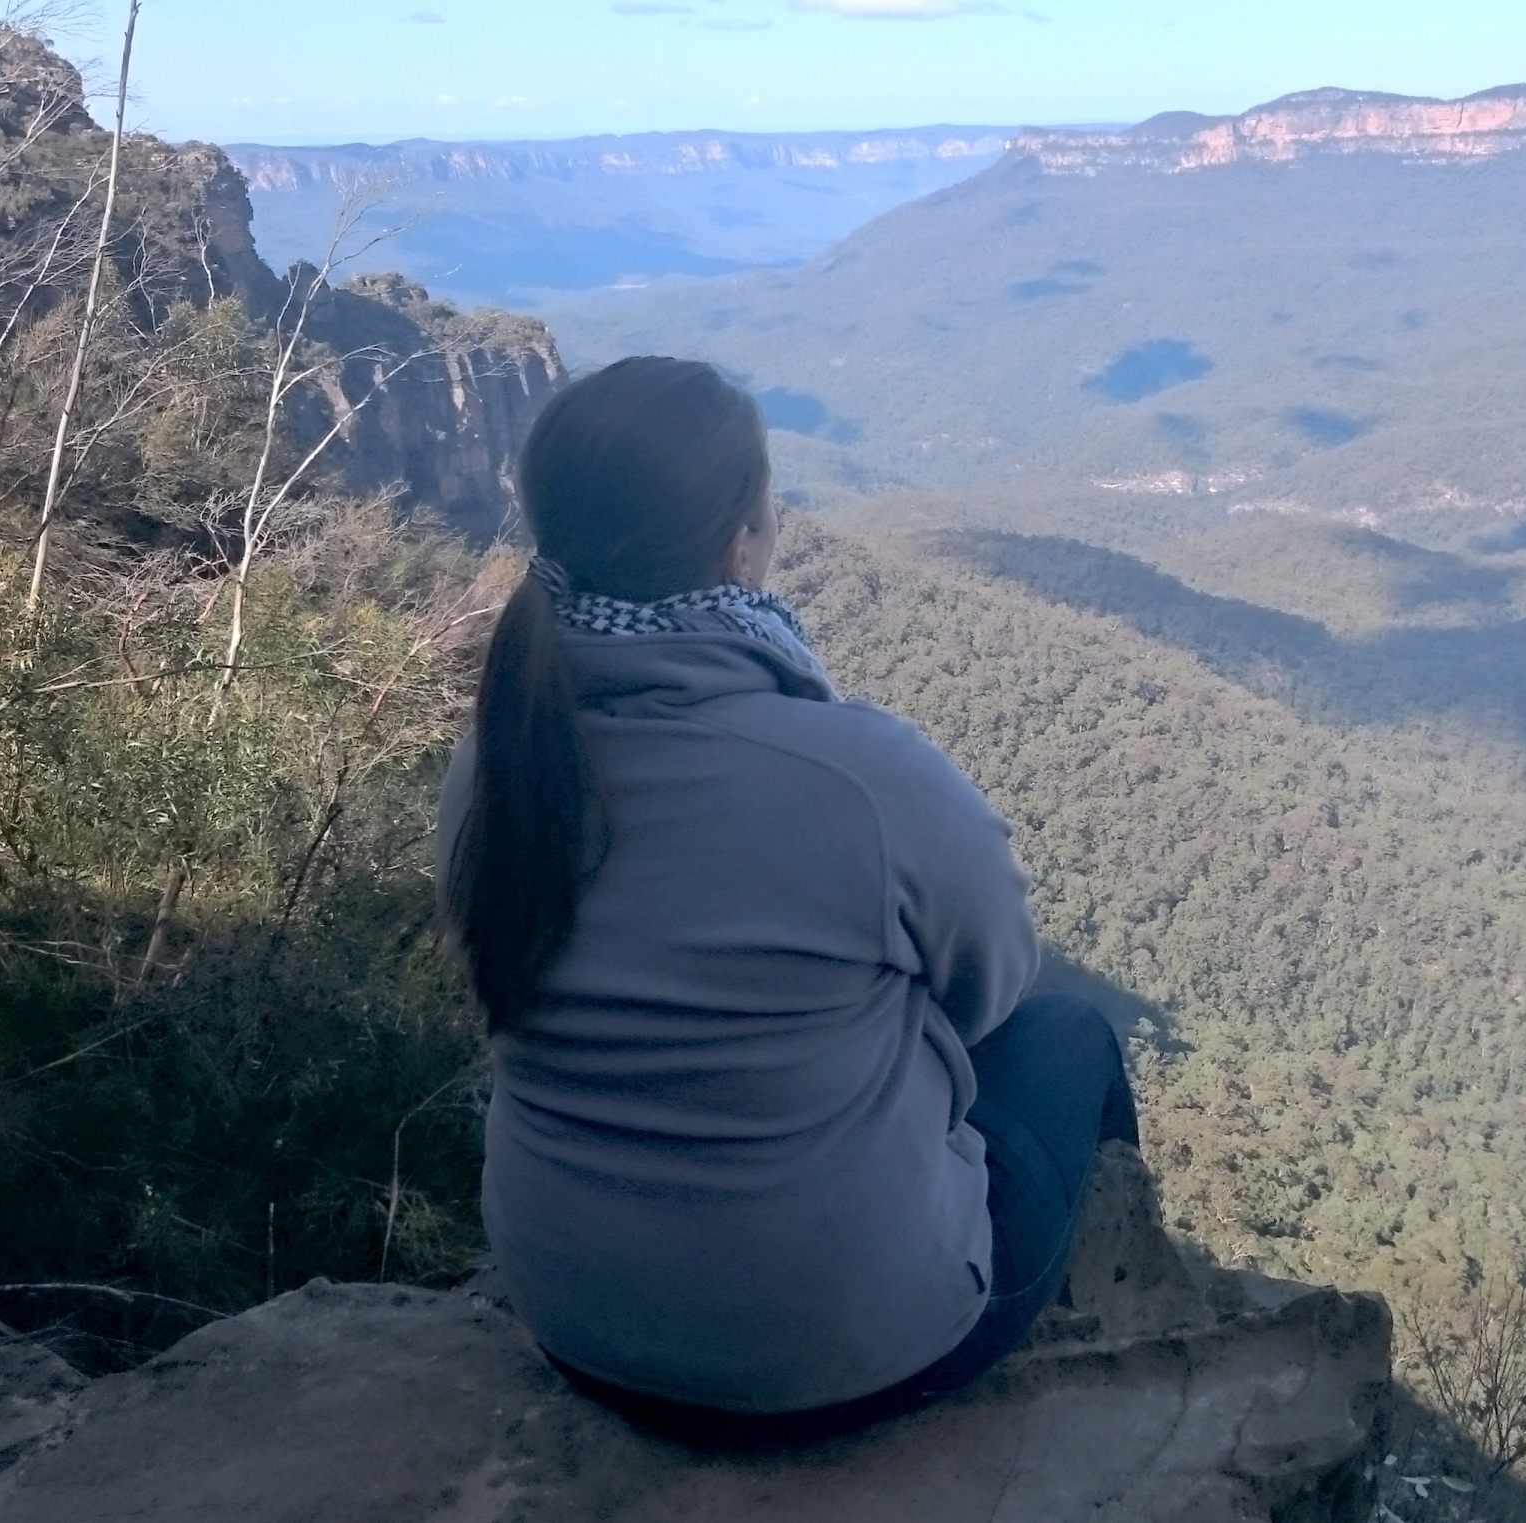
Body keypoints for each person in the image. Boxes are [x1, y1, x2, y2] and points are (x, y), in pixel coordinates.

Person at [438, 356, 1136, 1442]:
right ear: (740, 545)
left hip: (578, 1322)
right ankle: (1132, 1329)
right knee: (1068, 1035)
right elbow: (992, 987)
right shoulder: (861, 777)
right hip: (845, 1350)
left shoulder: (495, 762)